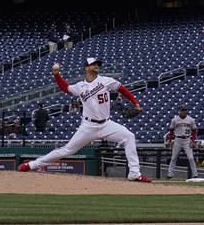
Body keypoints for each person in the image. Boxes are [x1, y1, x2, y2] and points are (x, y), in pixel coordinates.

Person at [18, 57, 149, 182]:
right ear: (86, 68)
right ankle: (32, 165)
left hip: (106, 124)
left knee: (129, 137)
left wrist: (136, 103)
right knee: (67, 150)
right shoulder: (80, 86)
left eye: (97, 64)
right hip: (88, 126)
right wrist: (56, 74)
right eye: (93, 64)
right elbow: (65, 88)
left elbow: (122, 89)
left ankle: (134, 173)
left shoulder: (105, 80)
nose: (96, 65)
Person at [166, 104, 198, 180]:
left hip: (187, 139)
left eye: (185, 110)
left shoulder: (191, 119)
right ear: (179, 111)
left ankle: (195, 174)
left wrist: (192, 141)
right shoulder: (174, 120)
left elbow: (194, 131)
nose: (184, 111)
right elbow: (171, 131)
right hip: (177, 139)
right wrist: (170, 140)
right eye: (183, 110)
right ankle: (170, 174)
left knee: (190, 158)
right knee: (174, 158)